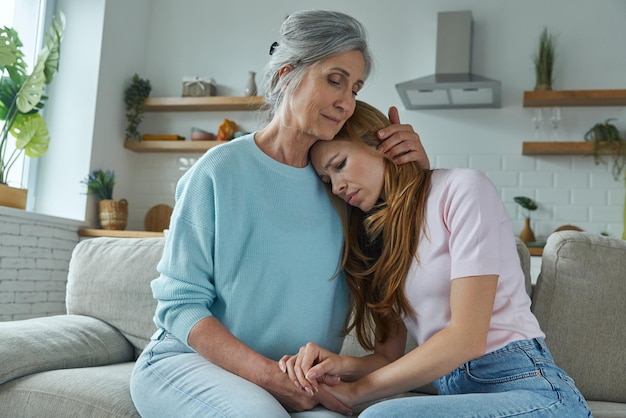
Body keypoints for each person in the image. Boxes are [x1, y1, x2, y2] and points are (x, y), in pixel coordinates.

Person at [129, 10, 429, 418]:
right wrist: (269, 377)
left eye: (355, 89)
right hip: (188, 364)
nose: (347, 102)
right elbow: (179, 305)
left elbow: (416, 263)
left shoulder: (345, 189)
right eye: (334, 80)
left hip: (296, 381)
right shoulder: (218, 171)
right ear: (288, 74)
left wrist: (417, 173)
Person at [281, 100, 592, 417]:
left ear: (381, 143)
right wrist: (340, 365)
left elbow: (466, 338)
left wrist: (354, 392)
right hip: (457, 394)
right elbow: (389, 358)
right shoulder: (378, 240)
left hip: (530, 388)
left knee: (382, 415)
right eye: (326, 180)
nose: (337, 186)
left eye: (340, 164)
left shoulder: (462, 188)